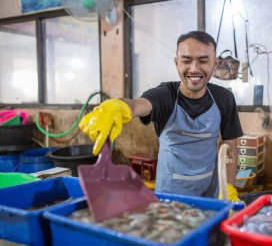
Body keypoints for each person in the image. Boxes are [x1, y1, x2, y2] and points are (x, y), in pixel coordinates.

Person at [79, 30, 243, 199]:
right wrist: (120, 106)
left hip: (211, 194)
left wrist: (228, 188)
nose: (194, 69)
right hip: (169, 195)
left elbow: (230, 148)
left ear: (215, 63)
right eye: (186, 61)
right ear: (176, 62)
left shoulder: (224, 99)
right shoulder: (165, 95)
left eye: (203, 61)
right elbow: (137, 105)